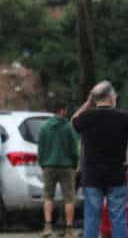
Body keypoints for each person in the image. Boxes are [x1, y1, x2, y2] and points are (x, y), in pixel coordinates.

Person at [72, 81, 128, 238]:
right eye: (114, 94)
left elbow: (73, 120)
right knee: (118, 218)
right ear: (110, 97)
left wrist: (88, 103)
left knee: (92, 219)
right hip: (117, 174)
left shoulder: (87, 117)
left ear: (95, 99)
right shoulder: (123, 117)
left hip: (92, 177)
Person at [38, 102, 80, 238]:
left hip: (49, 165)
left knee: (48, 197)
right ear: (62, 110)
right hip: (66, 166)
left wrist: (43, 163)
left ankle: (48, 226)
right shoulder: (68, 127)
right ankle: (68, 229)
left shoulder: (44, 127)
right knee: (69, 198)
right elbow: (74, 149)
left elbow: (41, 148)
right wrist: (75, 163)